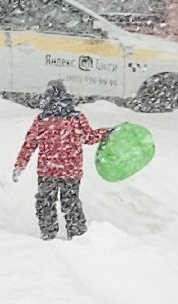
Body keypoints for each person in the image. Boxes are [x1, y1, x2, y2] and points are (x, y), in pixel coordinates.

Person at [11, 80, 109, 240]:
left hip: (47, 171)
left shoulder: (42, 120)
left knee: (45, 203)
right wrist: (106, 132)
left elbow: (29, 145)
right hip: (71, 170)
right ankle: (77, 234)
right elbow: (90, 137)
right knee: (71, 203)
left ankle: (48, 233)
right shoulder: (76, 118)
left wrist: (20, 165)